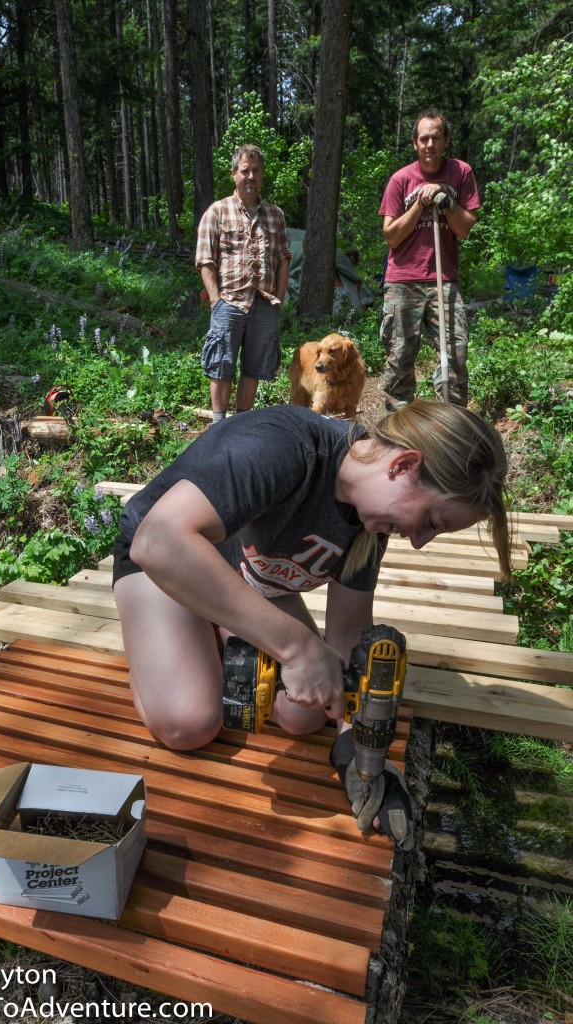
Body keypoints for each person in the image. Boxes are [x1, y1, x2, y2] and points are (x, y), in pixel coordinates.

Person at [112, 401, 512, 840]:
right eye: (432, 520)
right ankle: (165, 648)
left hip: (243, 581)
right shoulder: (282, 445)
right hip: (160, 563)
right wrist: (297, 648)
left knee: (304, 716)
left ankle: (207, 636)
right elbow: (158, 541)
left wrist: (357, 754)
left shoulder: (369, 520)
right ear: (403, 465)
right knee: (188, 722)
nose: (418, 541)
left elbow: (348, 632)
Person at [379, 110, 480, 410]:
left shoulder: (461, 173)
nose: (429, 144)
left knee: (455, 356)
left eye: (436, 137)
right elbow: (391, 236)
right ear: (414, 143)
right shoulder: (400, 180)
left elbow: (463, 229)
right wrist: (421, 205)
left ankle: (451, 426)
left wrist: (446, 201)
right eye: (423, 138)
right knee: (400, 357)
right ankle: (397, 431)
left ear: (446, 140)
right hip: (402, 281)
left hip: (443, 280)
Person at [195, 144, 292, 422]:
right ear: (234, 174)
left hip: (265, 303)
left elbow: (284, 258)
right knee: (221, 365)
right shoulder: (217, 211)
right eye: (245, 171)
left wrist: (280, 298)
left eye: (256, 171)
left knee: (254, 368)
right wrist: (215, 299)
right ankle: (218, 426)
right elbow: (204, 259)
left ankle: (240, 425)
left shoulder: (275, 215)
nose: (251, 176)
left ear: (261, 176)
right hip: (229, 302)